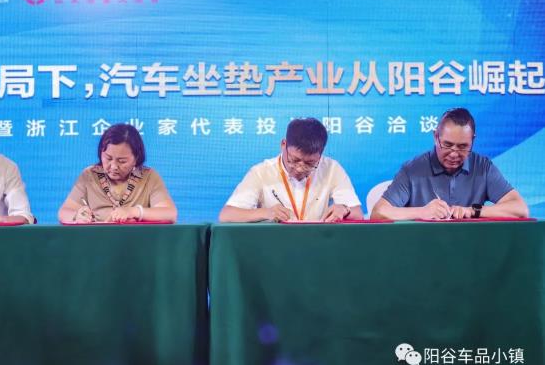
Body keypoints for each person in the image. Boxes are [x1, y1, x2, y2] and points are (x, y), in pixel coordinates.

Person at [371, 108, 528, 220]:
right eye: (447, 145)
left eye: (463, 146)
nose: (454, 153)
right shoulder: (412, 170)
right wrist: (422, 212)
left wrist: (473, 211)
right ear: (435, 137)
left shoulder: (483, 167)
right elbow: (378, 213)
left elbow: (520, 209)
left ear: (473, 141)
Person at [219, 117, 362, 222]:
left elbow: (357, 214)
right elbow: (227, 215)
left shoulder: (332, 169)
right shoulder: (261, 172)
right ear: (283, 144)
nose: (300, 168)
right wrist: (266, 213)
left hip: (318, 243)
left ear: (321, 154)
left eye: (310, 163)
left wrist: (344, 209)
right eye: (294, 160)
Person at [58, 123, 177, 223]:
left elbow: (170, 214)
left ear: (136, 158)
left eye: (122, 161)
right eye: (108, 158)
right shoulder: (89, 175)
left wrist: (134, 211)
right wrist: (77, 216)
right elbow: (64, 212)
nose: (114, 166)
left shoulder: (149, 177)